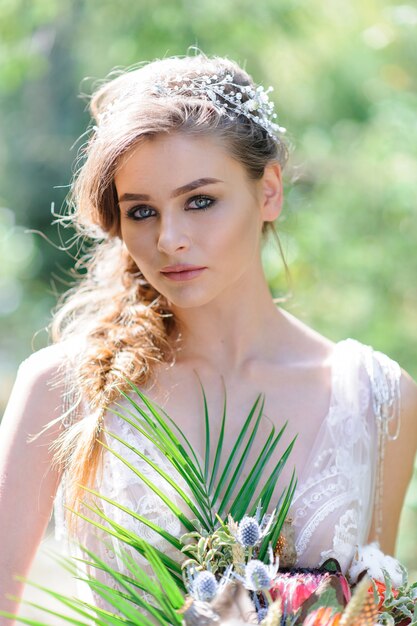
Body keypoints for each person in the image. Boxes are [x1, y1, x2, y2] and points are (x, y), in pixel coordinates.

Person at [1, 52, 416, 624]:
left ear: (268, 191)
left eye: (200, 201)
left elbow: (373, 610)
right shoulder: (63, 388)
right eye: (141, 211)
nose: (169, 238)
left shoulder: (379, 397)